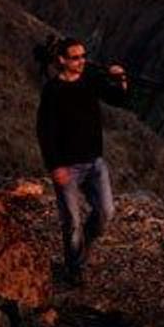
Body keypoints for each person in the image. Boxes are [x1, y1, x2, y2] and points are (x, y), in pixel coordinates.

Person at [36, 37, 129, 287]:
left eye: (83, 56)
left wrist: (120, 78)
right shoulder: (53, 91)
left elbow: (118, 100)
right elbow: (45, 131)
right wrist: (55, 166)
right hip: (68, 166)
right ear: (62, 60)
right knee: (72, 222)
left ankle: (81, 249)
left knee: (106, 212)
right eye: (75, 58)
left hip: (95, 162)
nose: (81, 61)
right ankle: (74, 269)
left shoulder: (90, 80)